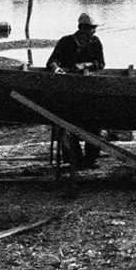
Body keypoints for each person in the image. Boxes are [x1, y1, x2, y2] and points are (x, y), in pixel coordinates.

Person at [45, 13, 105, 168]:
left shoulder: (95, 42)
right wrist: (57, 69)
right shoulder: (66, 42)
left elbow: (101, 63)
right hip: (67, 90)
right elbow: (51, 62)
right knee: (65, 126)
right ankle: (74, 159)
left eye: (94, 28)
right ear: (83, 28)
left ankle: (90, 159)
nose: (94, 31)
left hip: (89, 90)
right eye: (92, 28)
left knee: (94, 125)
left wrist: (85, 65)